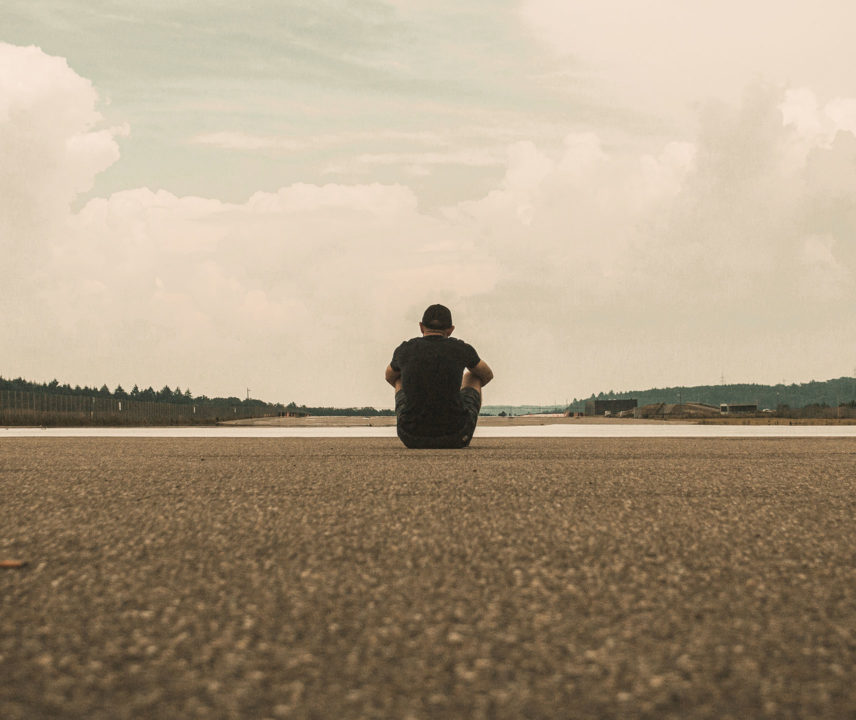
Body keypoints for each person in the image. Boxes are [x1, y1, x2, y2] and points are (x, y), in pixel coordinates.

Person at [385, 304, 494, 449]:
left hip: (411, 436)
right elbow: (487, 374)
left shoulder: (406, 349)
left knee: (399, 377)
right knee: (472, 376)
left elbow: (389, 376)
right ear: (450, 329)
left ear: (421, 327)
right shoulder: (460, 348)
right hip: (456, 436)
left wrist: (417, 388)